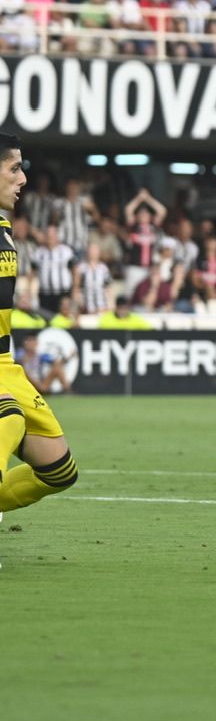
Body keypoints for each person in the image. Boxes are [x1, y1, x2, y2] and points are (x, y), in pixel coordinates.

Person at [0, 133, 79, 552]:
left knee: (59, 471)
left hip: (5, 365)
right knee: (6, 416)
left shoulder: (3, 226)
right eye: (14, 168)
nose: (23, 178)